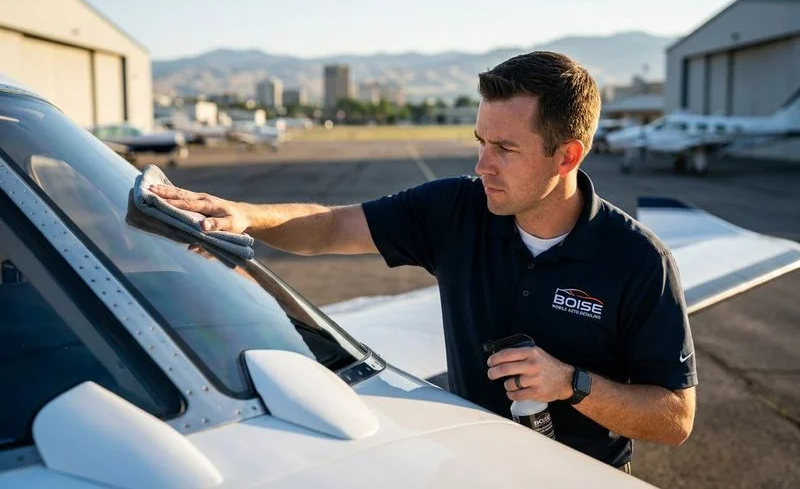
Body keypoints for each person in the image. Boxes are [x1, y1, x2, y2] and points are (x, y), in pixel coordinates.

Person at [150, 51, 697, 473]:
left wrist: (571, 383)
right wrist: (247, 215)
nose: (482, 164)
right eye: (480, 141)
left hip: (580, 476)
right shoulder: (458, 210)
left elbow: (675, 419)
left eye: (505, 149)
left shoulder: (639, 261)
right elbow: (333, 226)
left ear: (568, 154)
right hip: (470, 468)